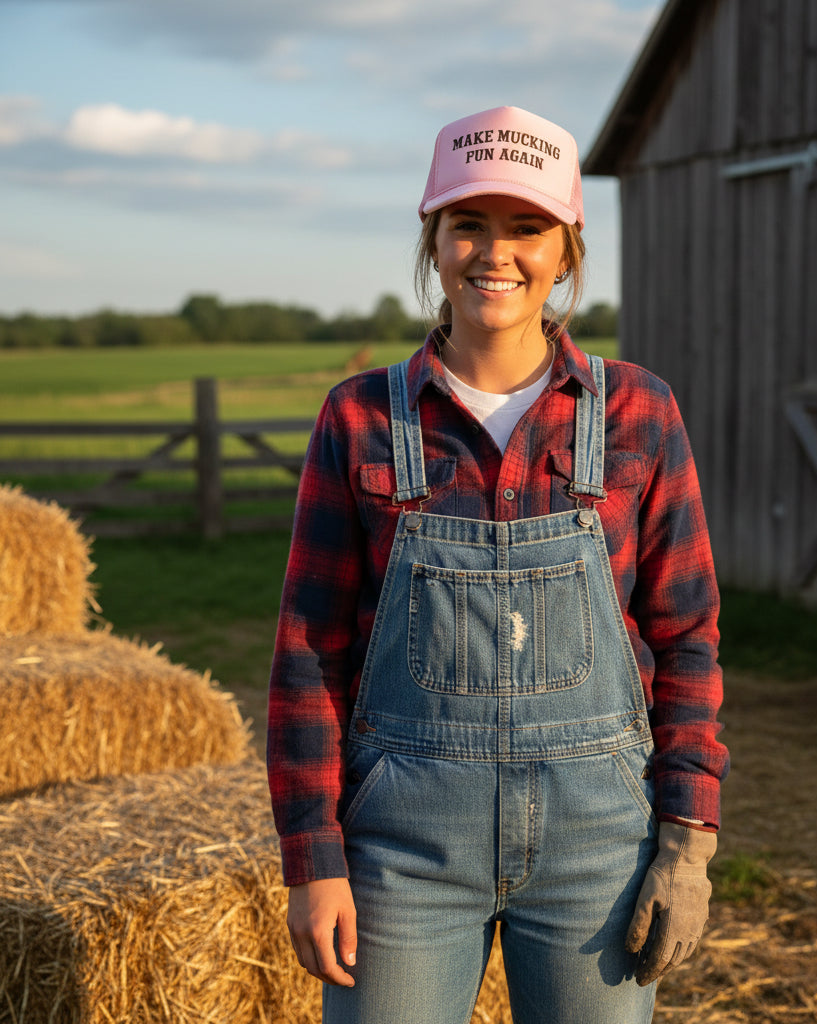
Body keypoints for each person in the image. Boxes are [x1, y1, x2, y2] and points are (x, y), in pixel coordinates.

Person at [266, 105, 728, 1024]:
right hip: (403, 845)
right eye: (467, 225)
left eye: (527, 228)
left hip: (598, 845)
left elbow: (687, 638)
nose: (496, 253)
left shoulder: (639, 411)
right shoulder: (360, 417)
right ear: (433, 241)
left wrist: (686, 844)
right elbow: (309, 652)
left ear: (566, 250)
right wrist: (314, 858)